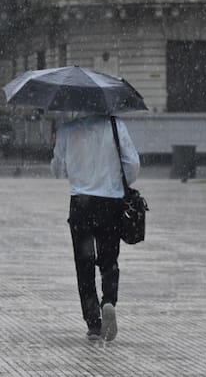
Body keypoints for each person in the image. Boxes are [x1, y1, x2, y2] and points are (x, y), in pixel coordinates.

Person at [51, 113, 140, 342]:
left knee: (84, 262)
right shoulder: (115, 125)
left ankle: (93, 322)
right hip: (110, 202)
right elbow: (132, 164)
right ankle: (109, 300)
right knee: (109, 258)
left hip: (80, 203)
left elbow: (58, 170)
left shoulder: (67, 129)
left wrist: (74, 167)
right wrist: (119, 181)